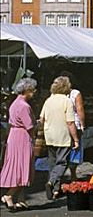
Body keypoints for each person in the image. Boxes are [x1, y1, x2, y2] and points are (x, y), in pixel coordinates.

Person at [39, 76, 79, 200]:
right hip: (63, 135)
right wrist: (76, 139)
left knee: (53, 163)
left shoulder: (48, 100)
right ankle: (51, 183)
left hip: (49, 134)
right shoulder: (67, 101)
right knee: (62, 163)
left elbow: (42, 118)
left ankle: (55, 190)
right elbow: (70, 122)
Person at [0, 78, 37, 212]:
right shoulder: (24, 106)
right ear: (26, 90)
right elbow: (30, 126)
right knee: (22, 167)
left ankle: (21, 199)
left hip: (14, 136)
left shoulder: (15, 103)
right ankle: (9, 195)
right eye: (32, 90)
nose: (34, 92)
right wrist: (35, 133)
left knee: (18, 165)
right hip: (22, 137)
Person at [59, 72, 85, 181]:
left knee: (62, 152)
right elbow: (80, 109)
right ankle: (73, 175)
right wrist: (83, 124)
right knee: (75, 150)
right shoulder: (76, 93)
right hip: (74, 124)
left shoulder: (56, 94)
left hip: (60, 125)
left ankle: (58, 177)